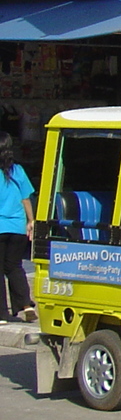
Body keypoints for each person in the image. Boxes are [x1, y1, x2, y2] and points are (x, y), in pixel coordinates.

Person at [0, 132, 35, 322]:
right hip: (17, 227)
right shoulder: (18, 170)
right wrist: (31, 221)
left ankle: (2, 313)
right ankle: (26, 306)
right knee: (14, 267)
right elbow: (25, 199)